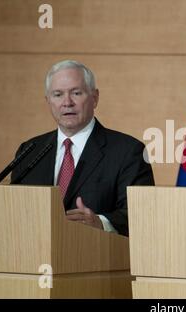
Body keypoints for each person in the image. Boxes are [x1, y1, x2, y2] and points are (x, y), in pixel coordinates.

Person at [11, 60, 154, 236]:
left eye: (76, 93)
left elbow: (142, 215)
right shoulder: (30, 151)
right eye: (57, 95)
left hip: (99, 260)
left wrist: (101, 223)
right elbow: (13, 211)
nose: (67, 102)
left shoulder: (128, 151)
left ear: (95, 98)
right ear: (48, 101)